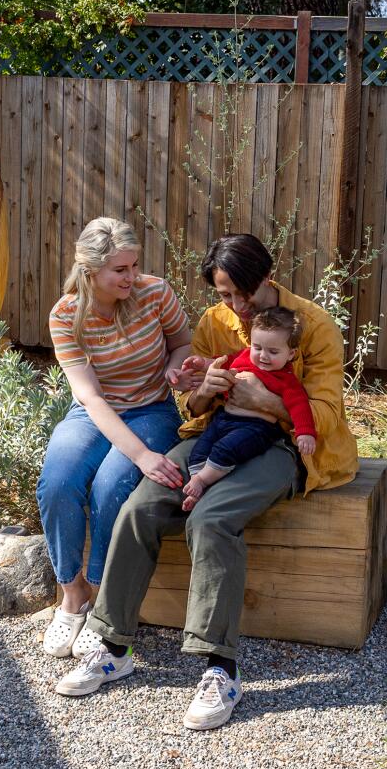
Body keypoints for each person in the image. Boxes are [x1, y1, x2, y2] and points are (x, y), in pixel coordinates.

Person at [53, 233, 359, 731]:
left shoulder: (313, 325)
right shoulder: (215, 323)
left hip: (283, 446)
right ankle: (113, 646)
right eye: (224, 295)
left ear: (267, 277)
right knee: (142, 506)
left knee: (212, 520)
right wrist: (204, 389)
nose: (236, 306)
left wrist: (260, 400)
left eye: (245, 294)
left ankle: (221, 668)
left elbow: (321, 416)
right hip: (214, 436)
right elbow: (191, 406)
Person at [34, 218, 189, 660]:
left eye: (134, 265)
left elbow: (182, 340)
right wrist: (141, 455)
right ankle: (72, 594)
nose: (131, 277)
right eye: (120, 270)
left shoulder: (155, 293)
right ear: (90, 273)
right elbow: (90, 397)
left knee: (110, 488)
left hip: (151, 409)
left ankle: (102, 598)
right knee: (58, 483)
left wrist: (175, 367)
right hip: (93, 412)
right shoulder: (66, 315)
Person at [180, 305, 317, 512]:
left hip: (256, 427)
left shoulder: (286, 380)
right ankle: (201, 487)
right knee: (200, 450)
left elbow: (300, 407)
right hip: (223, 418)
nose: (263, 356)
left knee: (224, 450)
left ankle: (201, 481)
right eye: (257, 347)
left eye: (273, 351)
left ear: (291, 354)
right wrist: (202, 363)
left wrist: (306, 433)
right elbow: (223, 363)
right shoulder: (243, 357)